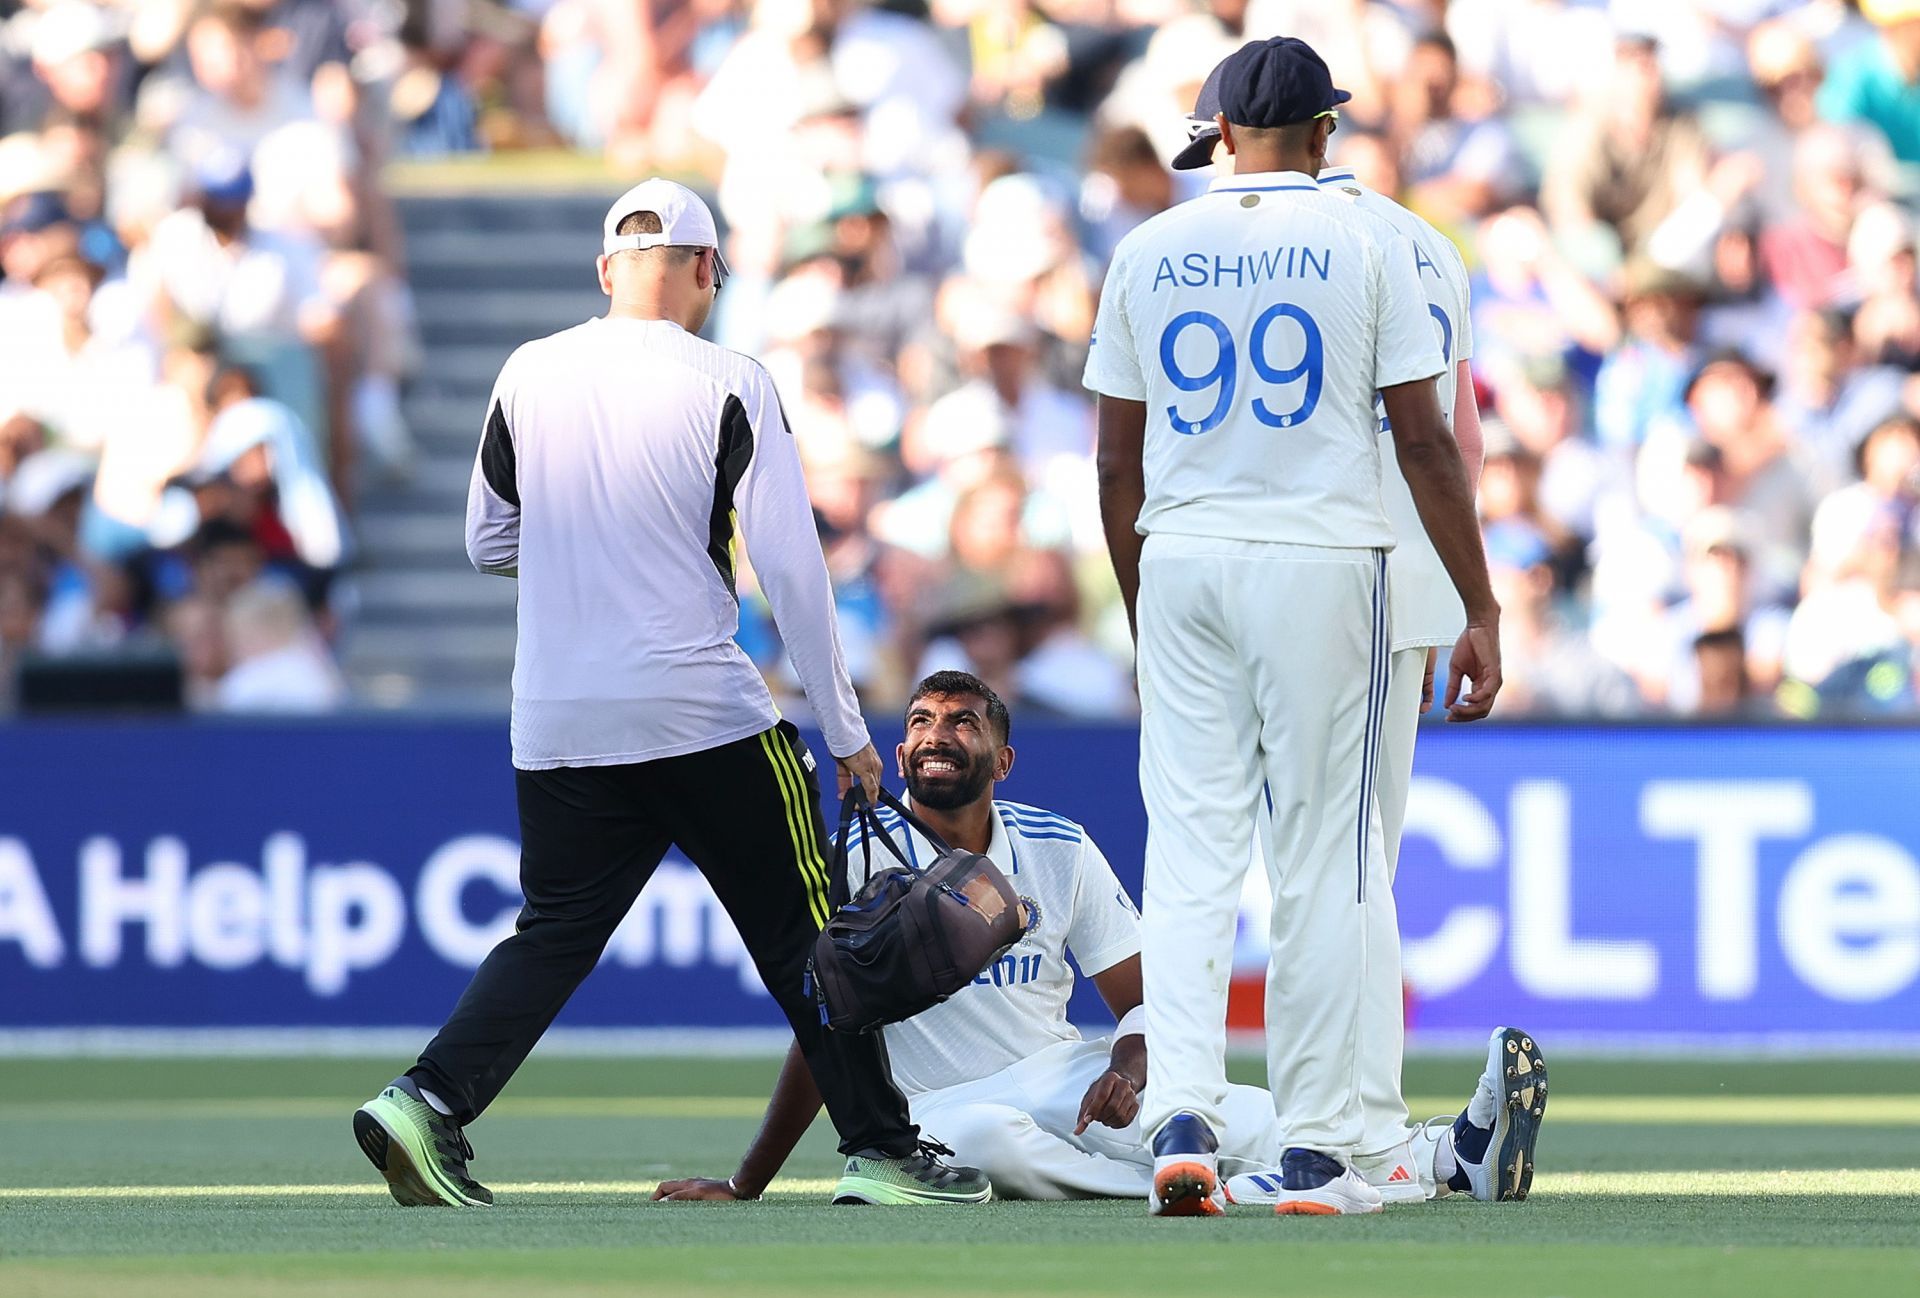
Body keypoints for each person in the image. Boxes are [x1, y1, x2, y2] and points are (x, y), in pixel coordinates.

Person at [351, 179, 988, 1210]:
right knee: (809, 933)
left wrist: (583, 556)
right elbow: (792, 569)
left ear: (607, 271)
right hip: (699, 709)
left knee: (553, 930)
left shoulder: (526, 370)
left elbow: (485, 539)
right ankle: (881, 1144)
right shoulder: (731, 377)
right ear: (702, 270)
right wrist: (847, 727)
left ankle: (426, 1101)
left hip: (556, 717)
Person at [1084, 37, 1501, 1217]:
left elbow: (1115, 459)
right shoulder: (1374, 238)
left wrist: (1141, 598)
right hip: (1324, 556)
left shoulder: (1148, 247)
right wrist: (1480, 602)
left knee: (1190, 851)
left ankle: (1184, 1114)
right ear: (1327, 133)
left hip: (1181, 557)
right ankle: (1319, 1148)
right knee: (1329, 857)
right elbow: (1426, 440)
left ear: (1219, 136)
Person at [652, 670, 1283, 1203]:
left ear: (1003, 761)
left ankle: (1347, 1165)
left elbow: (1145, 999)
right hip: (935, 1103)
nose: (937, 736)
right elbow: (821, 1029)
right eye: (921, 721)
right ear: (900, 757)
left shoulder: (1060, 846)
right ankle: (1186, 1185)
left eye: (963, 723)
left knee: (1254, 1119)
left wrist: (1128, 1067)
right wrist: (746, 1184)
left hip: (1057, 1072)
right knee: (992, 1143)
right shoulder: (850, 862)